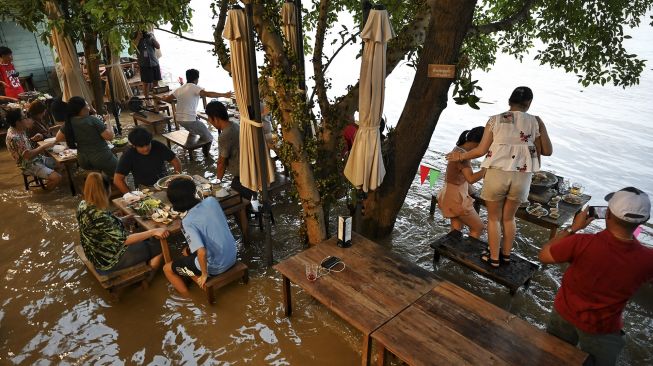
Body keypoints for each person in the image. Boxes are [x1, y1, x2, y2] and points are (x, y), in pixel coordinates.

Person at [539, 187, 653, 366]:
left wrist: (573, 228)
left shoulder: (580, 243)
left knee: (552, 358)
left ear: (607, 214)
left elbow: (544, 255)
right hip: (604, 328)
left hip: (564, 314)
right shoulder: (648, 260)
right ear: (644, 221)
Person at [446, 86, 552, 267]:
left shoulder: (494, 120)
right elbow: (548, 151)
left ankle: (493, 258)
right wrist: (540, 125)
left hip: (496, 174)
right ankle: (506, 255)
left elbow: (481, 150)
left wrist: (460, 156)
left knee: (494, 218)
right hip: (522, 176)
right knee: (509, 219)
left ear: (509, 102)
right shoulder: (535, 121)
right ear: (529, 103)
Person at [77, 172, 167, 274]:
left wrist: (122, 220)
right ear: (106, 191)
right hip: (107, 261)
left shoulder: (83, 205)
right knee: (160, 245)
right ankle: (148, 278)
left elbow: (100, 228)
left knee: (144, 236)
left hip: (95, 254)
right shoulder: (100, 216)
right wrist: (153, 231)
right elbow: (125, 240)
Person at [163, 178, 237, 296]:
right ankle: (191, 271)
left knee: (167, 269)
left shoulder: (188, 221)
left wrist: (204, 275)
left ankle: (188, 298)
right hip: (232, 254)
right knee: (186, 252)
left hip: (216, 266)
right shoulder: (212, 201)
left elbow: (202, 252)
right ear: (193, 192)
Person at [161, 68, 233, 155]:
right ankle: (206, 156)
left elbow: (168, 99)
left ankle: (192, 148)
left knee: (194, 131)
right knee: (209, 138)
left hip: (179, 120)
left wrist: (164, 97)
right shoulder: (195, 87)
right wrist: (224, 95)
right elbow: (208, 94)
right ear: (196, 79)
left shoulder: (179, 89)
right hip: (189, 120)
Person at [438, 126, 486, 239]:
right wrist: (485, 170)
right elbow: (471, 178)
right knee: (478, 228)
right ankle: (466, 253)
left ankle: (451, 253)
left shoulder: (458, 149)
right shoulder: (462, 156)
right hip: (456, 199)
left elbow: (459, 177)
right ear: (478, 143)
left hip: (448, 194)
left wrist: (472, 191)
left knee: (456, 230)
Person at [56, 96, 118, 177]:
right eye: (87, 105)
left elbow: (58, 138)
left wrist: (77, 137)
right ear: (81, 109)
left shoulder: (68, 123)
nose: (89, 108)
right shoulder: (92, 120)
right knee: (121, 175)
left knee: (95, 180)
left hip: (83, 160)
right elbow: (110, 137)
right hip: (101, 157)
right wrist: (108, 120)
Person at [205, 100, 254, 200]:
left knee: (233, 200)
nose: (209, 121)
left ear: (216, 118)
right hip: (250, 168)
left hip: (243, 176)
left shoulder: (225, 135)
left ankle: (243, 213)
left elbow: (221, 163)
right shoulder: (235, 124)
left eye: (210, 119)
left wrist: (217, 183)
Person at [4, 109, 62, 190]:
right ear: (18, 122)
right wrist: (43, 147)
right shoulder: (14, 137)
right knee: (57, 178)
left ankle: (50, 179)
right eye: (24, 117)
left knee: (60, 164)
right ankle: (46, 196)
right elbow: (27, 155)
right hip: (28, 165)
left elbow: (21, 147)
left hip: (35, 159)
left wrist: (32, 139)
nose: (27, 119)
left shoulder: (17, 128)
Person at [114, 127, 182, 194]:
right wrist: (130, 195)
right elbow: (117, 179)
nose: (146, 148)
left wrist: (175, 178)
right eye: (141, 146)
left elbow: (176, 161)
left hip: (163, 183)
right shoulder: (128, 155)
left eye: (147, 144)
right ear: (134, 146)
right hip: (144, 188)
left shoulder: (158, 146)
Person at [134, 30, 161, 103]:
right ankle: (147, 101)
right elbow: (133, 48)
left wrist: (152, 38)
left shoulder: (150, 36)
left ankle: (158, 100)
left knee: (156, 82)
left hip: (154, 62)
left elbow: (158, 46)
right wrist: (138, 37)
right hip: (144, 64)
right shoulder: (135, 35)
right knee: (146, 83)